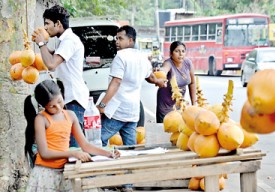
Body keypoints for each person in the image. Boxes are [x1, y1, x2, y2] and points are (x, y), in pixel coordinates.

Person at [97, 25, 166, 192]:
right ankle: (127, 185)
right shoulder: (143, 58)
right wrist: (158, 82)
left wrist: (102, 105)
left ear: (131, 40)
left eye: (120, 38)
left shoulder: (120, 56)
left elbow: (116, 82)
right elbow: (149, 76)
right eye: (116, 39)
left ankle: (103, 179)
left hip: (118, 110)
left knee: (99, 140)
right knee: (130, 150)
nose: (117, 42)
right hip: (133, 112)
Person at [24, 79, 120, 191]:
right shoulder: (41, 119)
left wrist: (108, 153)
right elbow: (44, 153)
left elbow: (85, 145)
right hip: (45, 173)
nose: (58, 108)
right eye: (52, 106)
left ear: (62, 94)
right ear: (43, 105)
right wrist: (73, 153)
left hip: (66, 171)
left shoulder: (71, 115)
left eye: (59, 102)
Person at [32, 5, 89, 148]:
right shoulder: (63, 40)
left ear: (58, 24)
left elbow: (51, 64)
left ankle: (77, 169)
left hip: (73, 98)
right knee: (67, 142)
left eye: (47, 23)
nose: (45, 28)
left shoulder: (69, 41)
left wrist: (41, 44)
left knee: (73, 145)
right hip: (68, 98)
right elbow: (53, 54)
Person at [156, 41, 196, 123]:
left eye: (183, 51)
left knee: (179, 129)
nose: (180, 54)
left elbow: (192, 83)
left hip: (179, 103)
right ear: (171, 53)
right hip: (165, 104)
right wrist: (160, 71)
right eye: (177, 51)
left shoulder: (188, 63)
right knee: (166, 128)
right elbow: (164, 70)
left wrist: (194, 104)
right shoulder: (168, 63)